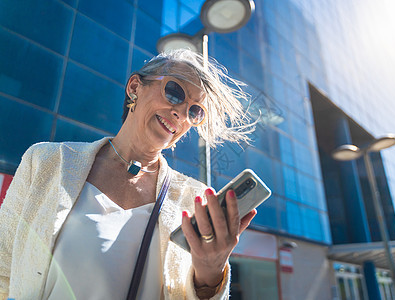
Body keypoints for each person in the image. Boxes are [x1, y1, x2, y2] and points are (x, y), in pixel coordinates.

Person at [0, 49, 256, 300]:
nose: (181, 114)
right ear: (135, 87)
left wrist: (211, 276)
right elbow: (3, 268)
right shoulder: (46, 161)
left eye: (194, 111)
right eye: (174, 92)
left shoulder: (194, 199)